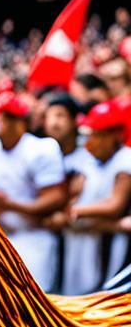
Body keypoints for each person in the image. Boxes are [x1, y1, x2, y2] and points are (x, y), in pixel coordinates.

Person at [0, 92, 67, 291]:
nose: (0, 122)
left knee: (36, 304)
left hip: (34, 239)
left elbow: (56, 197)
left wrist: (10, 205)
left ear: (20, 123)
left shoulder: (40, 149)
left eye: (7, 118)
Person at [61, 101, 131, 294]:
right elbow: (75, 193)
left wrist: (78, 211)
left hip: (110, 242)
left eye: (97, 134)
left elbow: (115, 205)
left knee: (104, 295)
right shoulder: (89, 160)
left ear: (115, 135)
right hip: (81, 238)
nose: (91, 141)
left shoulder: (125, 159)